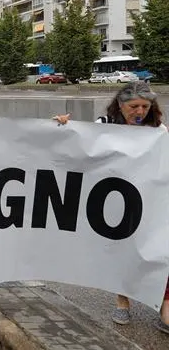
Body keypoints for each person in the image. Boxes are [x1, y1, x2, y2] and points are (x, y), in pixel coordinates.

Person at [54, 81, 169, 333]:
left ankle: (163, 301)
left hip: (147, 199)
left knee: (156, 248)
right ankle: (123, 299)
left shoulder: (157, 129)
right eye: (134, 106)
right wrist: (63, 125)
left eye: (145, 106)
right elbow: (76, 142)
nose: (140, 112)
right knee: (122, 248)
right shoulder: (104, 126)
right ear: (120, 104)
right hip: (115, 200)